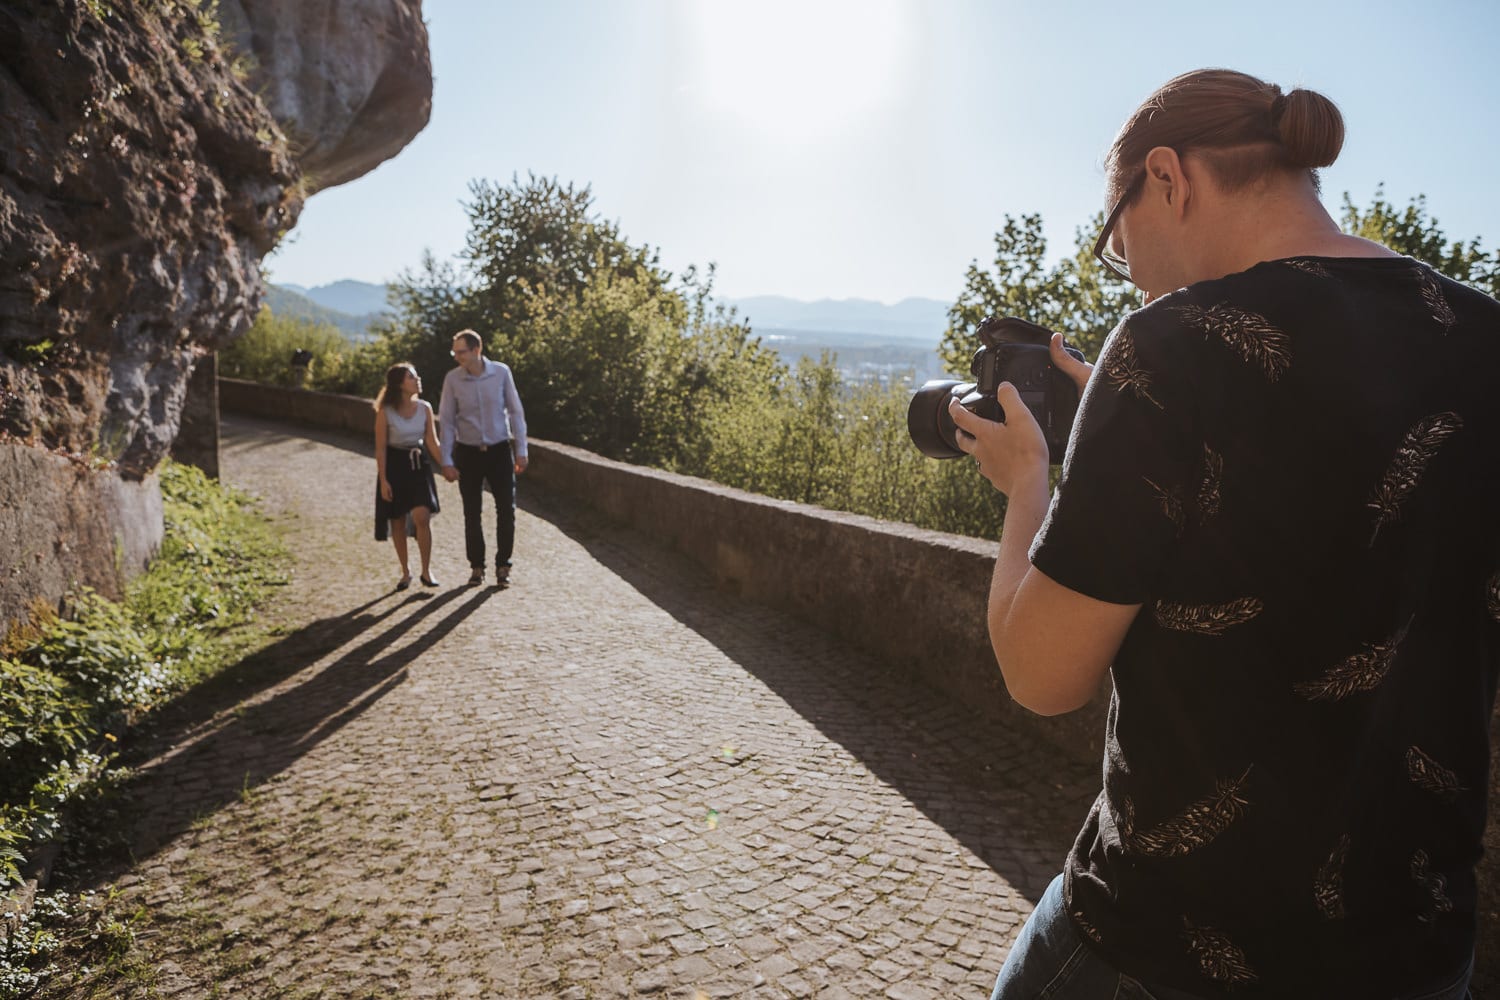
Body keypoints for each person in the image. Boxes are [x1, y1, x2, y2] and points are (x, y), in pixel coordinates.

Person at [950, 69, 1500, 1000]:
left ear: (1167, 178)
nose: (1132, 275)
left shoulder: (1172, 344)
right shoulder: (1485, 336)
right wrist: (1126, 449)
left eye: (1117, 246)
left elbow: (1043, 676)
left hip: (1173, 946)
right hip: (1413, 952)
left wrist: (1032, 484)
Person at [438, 330, 529, 587]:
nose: (457, 357)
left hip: (499, 450)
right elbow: (446, 420)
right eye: (454, 352)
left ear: (477, 350)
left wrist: (521, 450)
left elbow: (515, 412)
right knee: (471, 512)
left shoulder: (501, 373)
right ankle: (477, 566)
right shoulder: (452, 380)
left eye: (461, 352)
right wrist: (446, 459)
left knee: (506, 511)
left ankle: (503, 565)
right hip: (467, 452)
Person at [373, 362, 443, 590]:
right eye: (412, 377)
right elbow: (381, 448)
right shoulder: (386, 412)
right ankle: (406, 572)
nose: (417, 380)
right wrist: (383, 479)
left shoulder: (425, 408)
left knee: (422, 516)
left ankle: (426, 570)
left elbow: (432, 442)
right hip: (394, 466)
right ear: (400, 385)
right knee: (398, 520)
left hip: (418, 465)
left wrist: (448, 466)